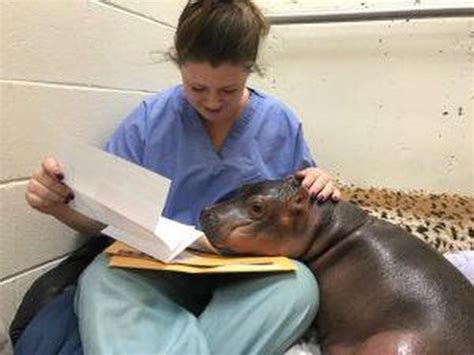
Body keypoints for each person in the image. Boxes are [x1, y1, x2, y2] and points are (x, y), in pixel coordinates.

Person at [25, 0, 341, 353]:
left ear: (249, 71)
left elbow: (304, 217)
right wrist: (56, 205)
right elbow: (103, 220)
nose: (211, 103)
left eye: (228, 91)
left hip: (248, 274)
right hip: (159, 269)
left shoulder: (280, 123)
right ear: (178, 66)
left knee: (299, 287)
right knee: (102, 278)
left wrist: (321, 186)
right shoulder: (149, 121)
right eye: (197, 88)